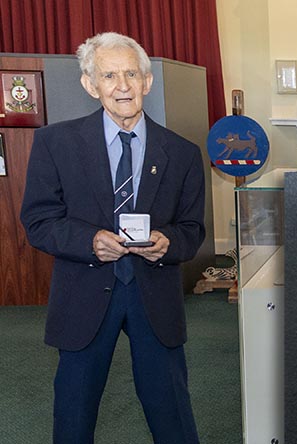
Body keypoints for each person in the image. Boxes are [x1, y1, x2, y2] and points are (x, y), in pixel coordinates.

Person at [20, 32, 205, 443]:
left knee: (172, 411)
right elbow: (38, 221)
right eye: (109, 75)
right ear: (91, 85)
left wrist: (167, 244)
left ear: (147, 81)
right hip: (83, 293)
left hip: (154, 296)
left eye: (131, 74)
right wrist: (90, 241)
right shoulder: (54, 144)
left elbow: (193, 232)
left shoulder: (183, 153)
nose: (122, 86)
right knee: (74, 412)